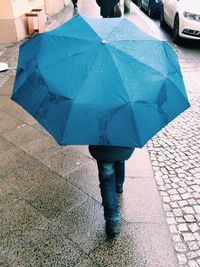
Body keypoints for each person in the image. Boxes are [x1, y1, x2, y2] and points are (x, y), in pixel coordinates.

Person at [89, 145, 134, 237]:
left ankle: (112, 220)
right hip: (123, 145)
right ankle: (119, 184)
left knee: (107, 182)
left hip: (103, 149)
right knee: (120, 159)